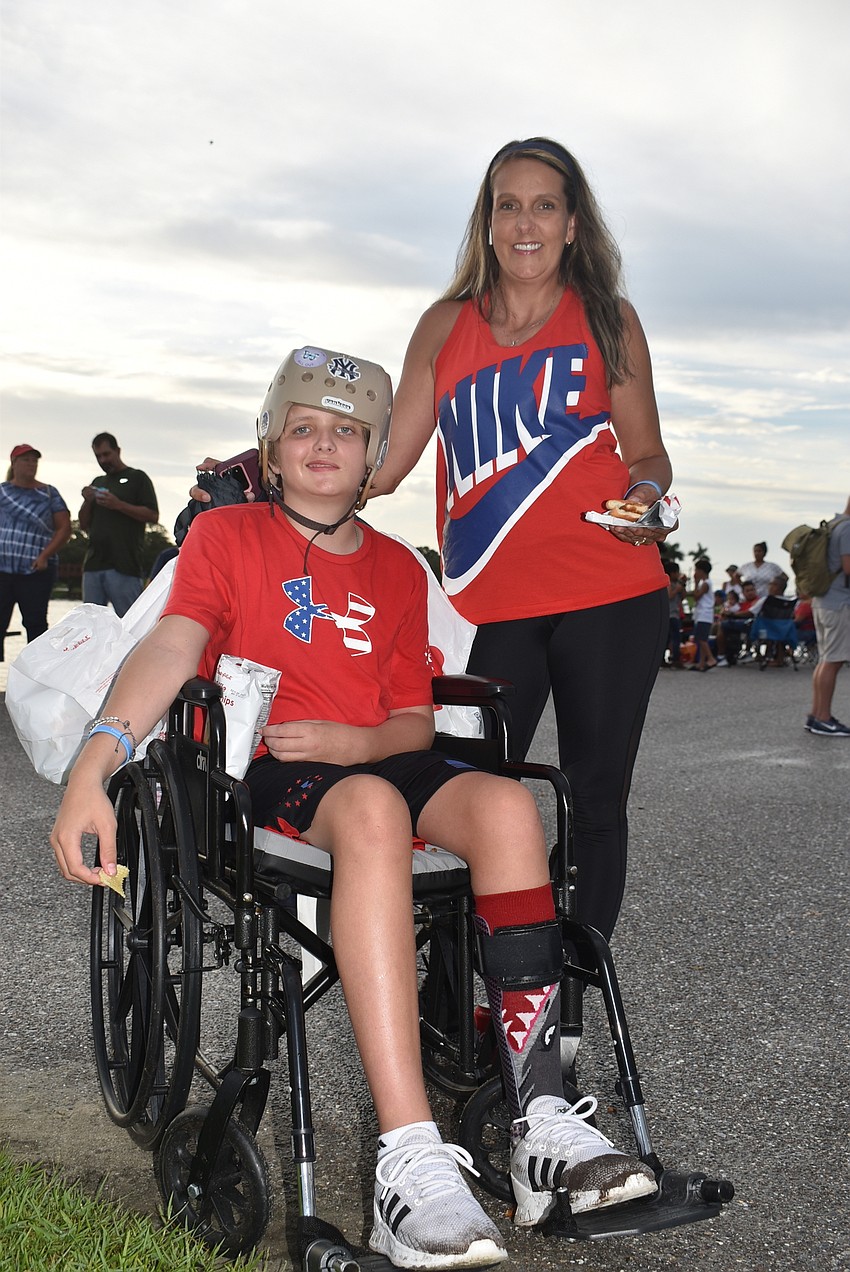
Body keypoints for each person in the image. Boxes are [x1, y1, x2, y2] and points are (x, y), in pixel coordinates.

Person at [51, 346, 657, 1270]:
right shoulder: (227, 538)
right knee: (373, 808)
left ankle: (540, 1120)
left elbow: (413, 721)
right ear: (272, 443)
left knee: (506, 808)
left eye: (346, 431)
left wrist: (358, 742)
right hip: (274, 766)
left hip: (368, 755)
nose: (323, 444)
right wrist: (96, 765)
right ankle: (406, 1157)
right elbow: (173, 648)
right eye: (303, 427)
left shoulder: (396, 570)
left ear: (375, 454)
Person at [191, 138, 674, 942]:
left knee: (594, 798)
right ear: (487, 223)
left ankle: (564, 1011)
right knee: (464, 794)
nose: (525, 223)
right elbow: (381, 469)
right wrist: (265, 470)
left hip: (612, 590)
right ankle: (468, 993)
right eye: (507, 205)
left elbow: (647, 450)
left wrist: (648, 495)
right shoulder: (446, 327)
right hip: (488, 604)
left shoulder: (608, 320)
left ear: (573, 224)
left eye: (544, 205)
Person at [0, 444, 71, 660]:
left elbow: (65, 528)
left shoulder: (48, 493)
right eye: (26, 460)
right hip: (2, 570)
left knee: (35, 623)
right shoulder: (3, 491)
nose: (31, 464)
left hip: (35, 571)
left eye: (34, 460)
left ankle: (38, 678)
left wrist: (44, 556)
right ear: (13, 463)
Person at [79, 433, 158, 616]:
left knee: (131, 624)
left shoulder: (138, 478)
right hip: (93, 565)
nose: (103, 460)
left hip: (125, 566)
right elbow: (83, 524)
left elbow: (153, 515)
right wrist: (87, 501)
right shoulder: (98, 482)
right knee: (89, 628)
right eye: (98, 456)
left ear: (118, 451)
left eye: (106, 454)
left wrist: (119, 505)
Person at [806, 497, 850, 736]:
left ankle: (816, 714)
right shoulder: (848, 528)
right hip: (839, 603)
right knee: (833, 661)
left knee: (826, 660)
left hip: (822, 600)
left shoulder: (833, 525)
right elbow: (848, 567)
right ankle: (823, 717)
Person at [689, 558, 717, 671]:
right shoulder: (706, 583)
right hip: (703, 614)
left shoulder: (705, 584)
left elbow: (696, 597)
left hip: (704, 614)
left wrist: (695, 583)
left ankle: (711, 658)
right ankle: (701, 663)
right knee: (702, 638)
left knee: (702, 639)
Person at [662, 559, 685, 667]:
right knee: (669, 638)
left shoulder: (677, 583)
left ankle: (675, 657)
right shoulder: (668, 583)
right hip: (670, 615)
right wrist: (677, 589)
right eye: (676, 572)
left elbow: (682, 598)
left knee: (675, 638)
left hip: (675, 614)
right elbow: (669, 596)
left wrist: (682, 586)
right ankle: (671, 659)